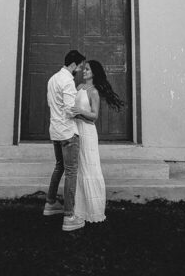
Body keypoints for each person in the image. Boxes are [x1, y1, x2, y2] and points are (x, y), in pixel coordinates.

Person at [72, 59, 125, 224]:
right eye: (84, 69)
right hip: (76, 129)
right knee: (80, 168)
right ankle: (80, 210)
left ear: (94, 73)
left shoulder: (93, 92)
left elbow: (94, 116)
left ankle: (94, 211)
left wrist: (80, 111)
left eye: (87, 69)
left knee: (90, 168)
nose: (84, 71)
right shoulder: (79, 87)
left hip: (87, 132)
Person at [44, 49, 85, 231]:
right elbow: (69, 109)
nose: (80, 70)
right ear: (73, 64)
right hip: (68, 132)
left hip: (55, 130)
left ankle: (50, 203)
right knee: (71, 172)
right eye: (80, 67)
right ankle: (69, 217)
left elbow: (51, 104)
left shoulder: (52, 79)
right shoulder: (68, 81)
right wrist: (85, 115)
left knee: (59, 167)